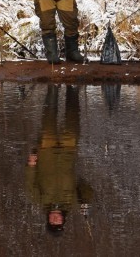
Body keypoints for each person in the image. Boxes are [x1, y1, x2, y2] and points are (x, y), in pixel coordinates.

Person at [25, 85, 94, 235]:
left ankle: (53, 87)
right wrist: (86, 202)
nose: (56, 219)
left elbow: (30, 183)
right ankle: (72, 87)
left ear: (48, 219)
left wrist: (31, 165)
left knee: (49, 117)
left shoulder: (39, 200)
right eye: (58, 222)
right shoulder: (73, 203)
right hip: (68, 153)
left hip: (46, 154)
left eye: (53, 222)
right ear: (63, 220)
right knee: (72, 118)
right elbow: (86, 188)